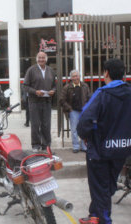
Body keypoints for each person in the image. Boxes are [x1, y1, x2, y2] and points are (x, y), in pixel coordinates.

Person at [77, 58, 131, 224]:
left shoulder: (102, 94)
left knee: (100, 189)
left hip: (100, 151)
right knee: (107, 185)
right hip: (122, 150)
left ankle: (103, 219)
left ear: (106, 73)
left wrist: (85, 136)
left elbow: (84, 120)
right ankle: (95, 215)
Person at [23, 51, 56, 152]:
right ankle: (36, 145)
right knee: (36, 124)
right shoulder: (31, 70)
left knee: (46, 124)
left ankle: (46, 145)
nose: (41, 59)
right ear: (37, 59)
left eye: (43, 58)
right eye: (40, 58)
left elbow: (54, 85)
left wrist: (53, 91)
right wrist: (35, 92)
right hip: (34, 102)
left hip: (47, 101)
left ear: (46, 59)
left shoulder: (51, 70)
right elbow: (25, 86)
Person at [59, 70, 90, 153]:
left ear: (79, 76)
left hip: (83, 111)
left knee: (83, 129)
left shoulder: (85, 86)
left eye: (77, 76)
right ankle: (76, 146)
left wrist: (87, 107)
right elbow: (62, 100)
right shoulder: (67, 87)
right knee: (74, 129)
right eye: (73, 76)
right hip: (73, 111)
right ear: (71, 78)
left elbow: (88, 97)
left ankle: (84, 146)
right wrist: (69, 109)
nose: (75, 77)